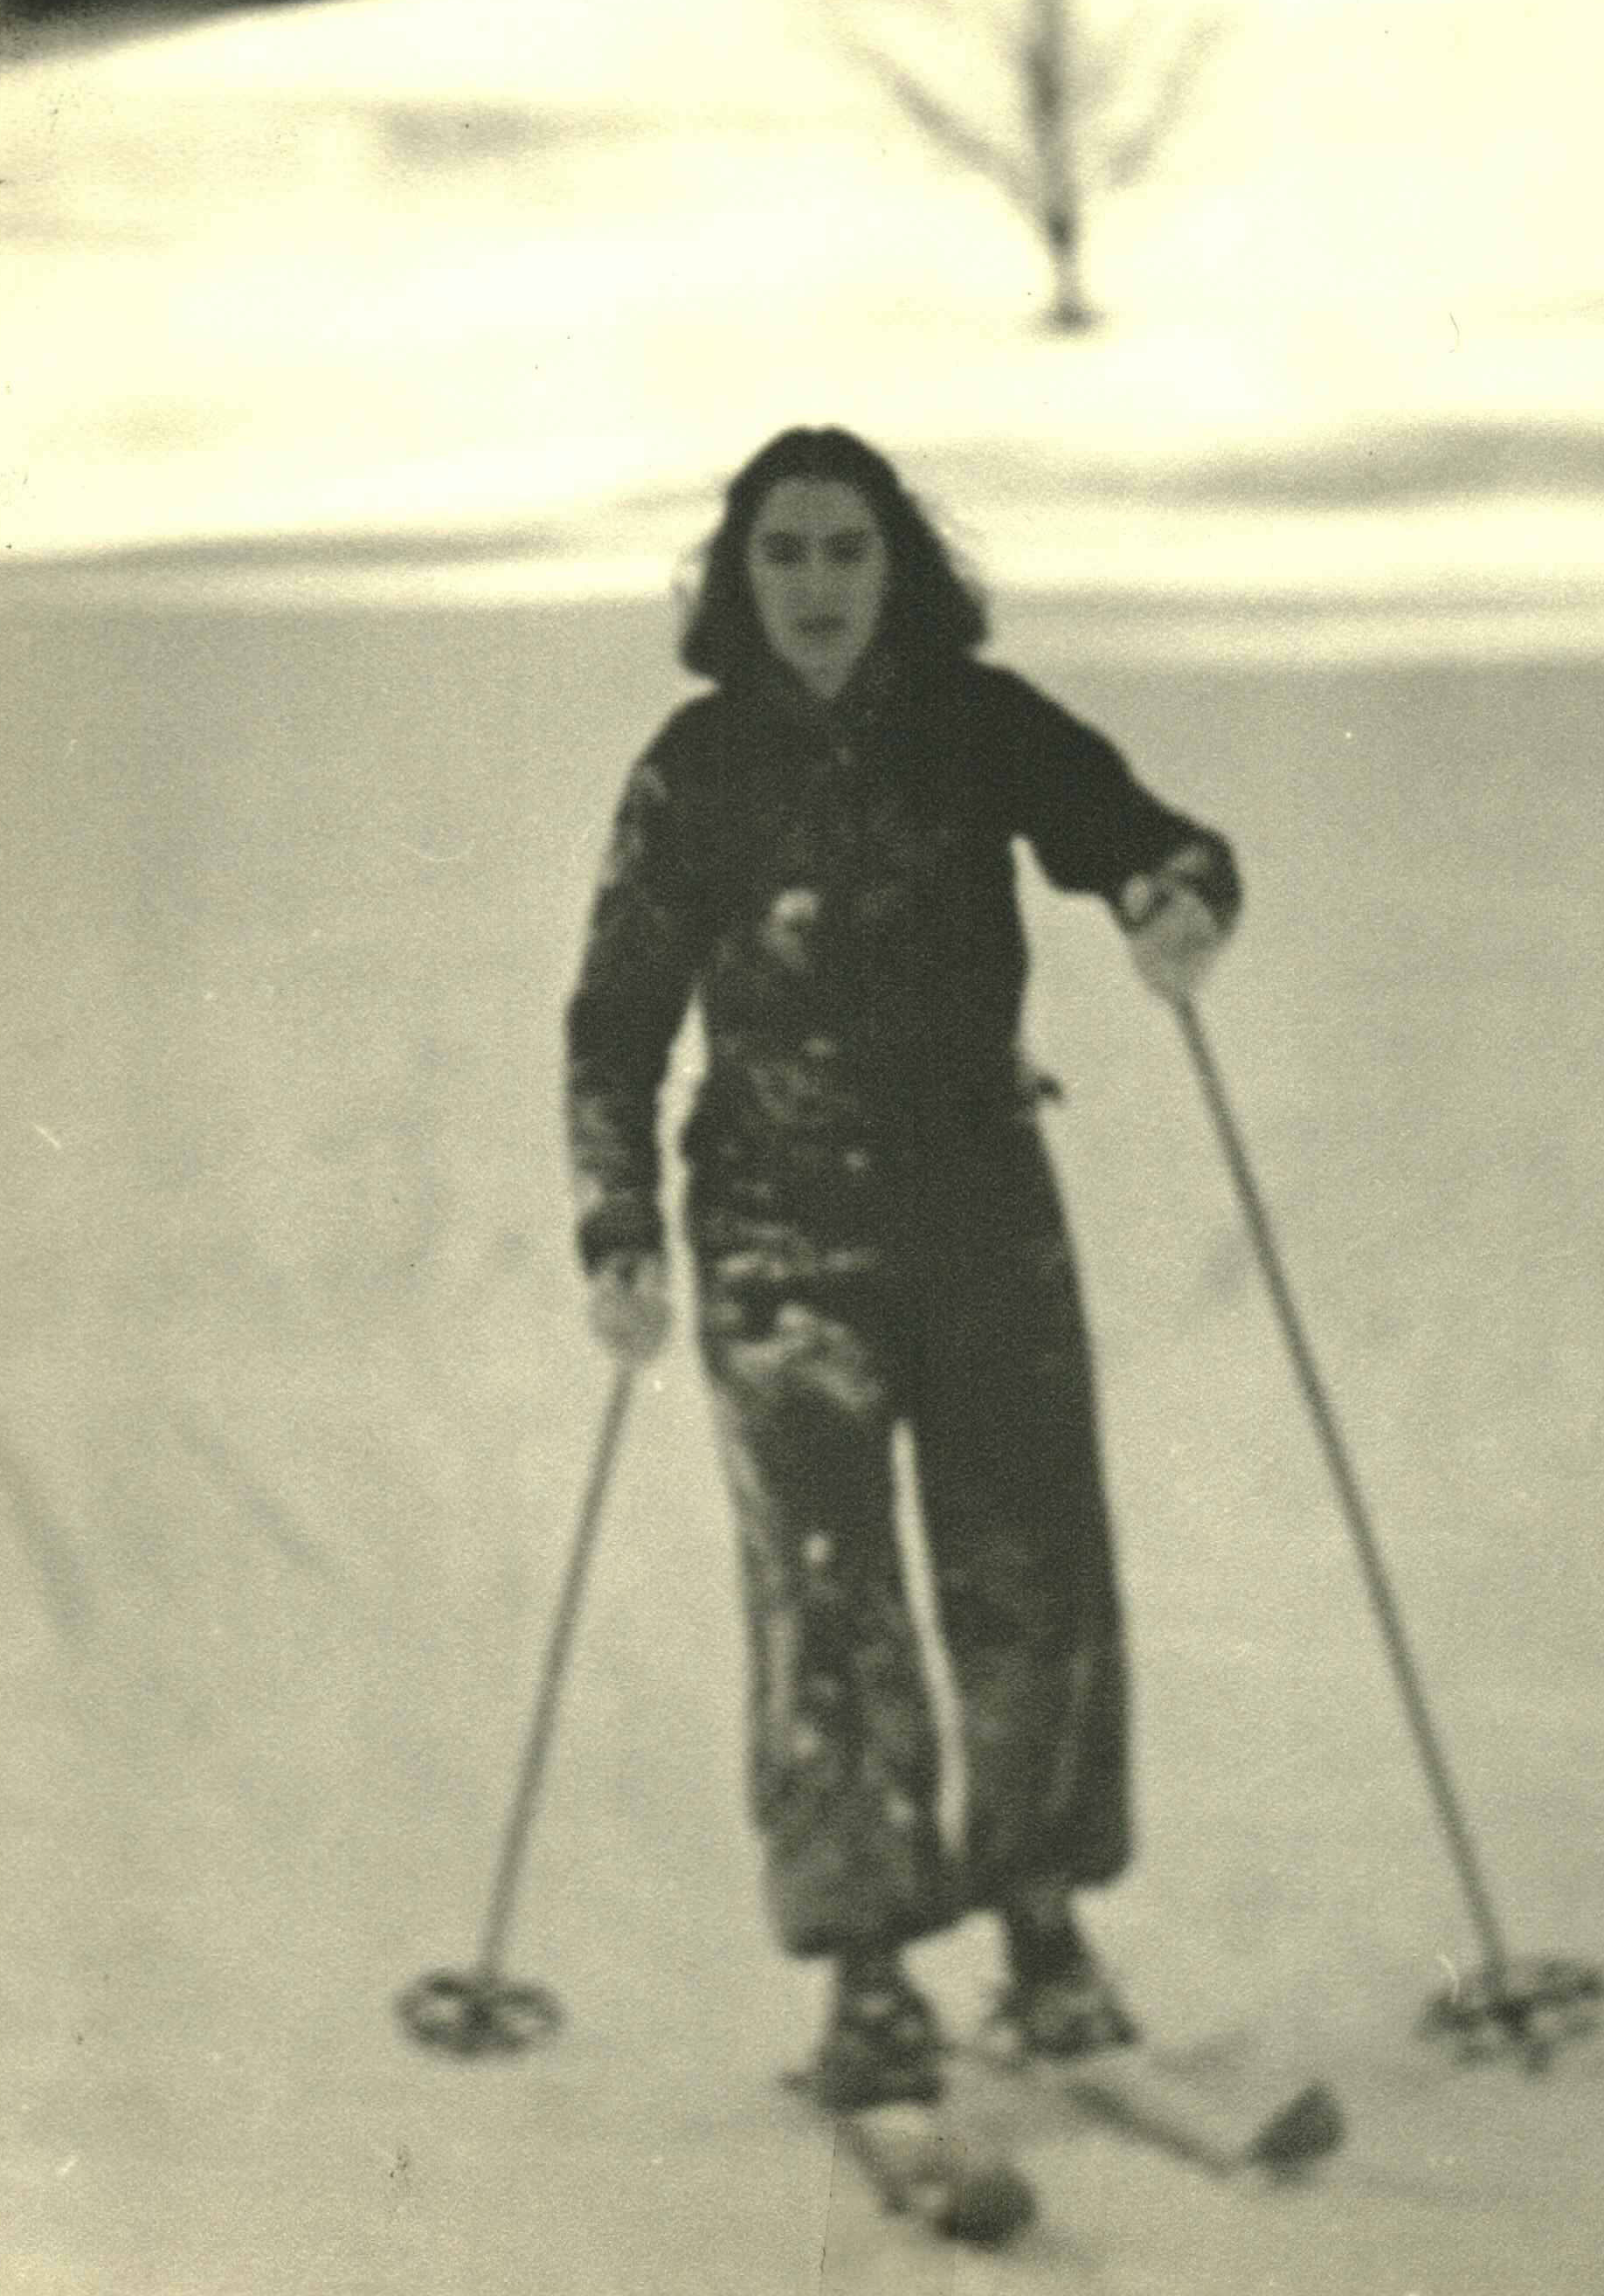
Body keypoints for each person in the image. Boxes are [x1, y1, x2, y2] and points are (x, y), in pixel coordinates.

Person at [565, 426, 1239, 2116]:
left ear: (900, 568)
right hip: (776, 1239)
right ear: (740, 579)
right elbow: (616, 1021)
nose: (817, 587)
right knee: (827, 1596)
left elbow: (1154, 842)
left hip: (982, 1218)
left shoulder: (977, 722)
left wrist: (1170, 904)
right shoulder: (695, 770)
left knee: (1032, 1569)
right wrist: (618, 1225)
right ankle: (868, 1971)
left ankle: (1042, 1923)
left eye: (847, 551)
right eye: (783, 554)